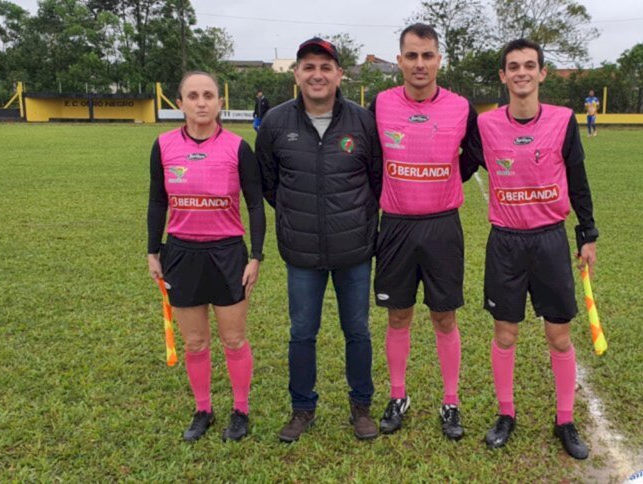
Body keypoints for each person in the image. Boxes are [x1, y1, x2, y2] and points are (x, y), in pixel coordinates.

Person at [475, 39, 599, 460]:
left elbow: (578, 180)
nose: (522, 73)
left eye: (530, 65)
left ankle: (565, 419)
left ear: (542, 73)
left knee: (559, 337)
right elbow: (460, 163)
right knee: (505, 334)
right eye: (514, 66)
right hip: (505, 242)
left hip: (549, 239)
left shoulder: (564, 120)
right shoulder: (487, 126)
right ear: (503, 76)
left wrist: (588, 235)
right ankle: (506, 415)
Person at [256, 37, 383, 443]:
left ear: (339, 75)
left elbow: (376, 181)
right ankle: (302, 409)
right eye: (309, 67)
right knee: (302, 332)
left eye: (326, 67)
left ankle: (361, 407)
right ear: (296, 73)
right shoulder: (276, 123)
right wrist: (300, 217)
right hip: (302, 251)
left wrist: (356, 220)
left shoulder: (363, 121)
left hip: (355, 249)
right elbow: (269, 184)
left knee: (358, 331)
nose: (317, 74)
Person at [369, 23, 482, 441]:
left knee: (444, 316)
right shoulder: (380, 104)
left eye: (428, 55)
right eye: (412, 56)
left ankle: (450, 401)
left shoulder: (460, 107)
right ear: (399, 60)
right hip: (396, 226)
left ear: (439, 60)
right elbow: (368, 157)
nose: (420, 64)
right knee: (398, 315)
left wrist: (449, 177)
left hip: (442, 226)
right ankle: (398, 396)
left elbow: (473, 154)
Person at [146, 71, 264, 443]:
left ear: (219, 103)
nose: (201, 102)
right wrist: (153, 250)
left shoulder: (238, 148)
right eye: (193, 95)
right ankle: (203, 409)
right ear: (179, 103)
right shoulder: (163, 146)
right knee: (195, 342)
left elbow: (255, 205)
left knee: (233, 339)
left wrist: (256, 256)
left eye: (208, 95)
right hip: (181, 253)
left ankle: (240, 410)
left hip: (227, 253)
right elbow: (157, 201)